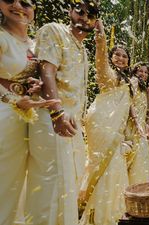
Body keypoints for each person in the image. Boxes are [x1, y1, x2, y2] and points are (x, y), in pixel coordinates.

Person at [35, 1, 99, 223]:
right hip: (51, 120)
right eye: (79, 10)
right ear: (70, 10)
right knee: (51, 186)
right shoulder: (53, 31)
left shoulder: (83, 49)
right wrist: (56, 113)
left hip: (72, 125)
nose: (84, 17)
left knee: (69, 185)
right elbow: (47, 72)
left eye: (91, 13)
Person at [0, 0, 60, 223]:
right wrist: (14, 99)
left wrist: (35, 87)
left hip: (33, 118)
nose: (18, 6)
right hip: (5, 115)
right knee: (5, 180)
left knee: (32, 181)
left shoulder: (37, 45)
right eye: (9, 0)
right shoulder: (2, 37)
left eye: (25, 2)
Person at [78, 20, 134, 225]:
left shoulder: (129, 81)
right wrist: (100, 33)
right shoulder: (106, 73)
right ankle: (99, 215)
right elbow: (100, 55)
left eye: (124, 55)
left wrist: (138, 123)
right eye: (116, 54)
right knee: (105, 161)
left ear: (128, 61)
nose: (120, 58)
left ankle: (113, 211)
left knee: (116, 163)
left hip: (116, 129)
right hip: (100, 125)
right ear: (111, 57)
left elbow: (130, 107)